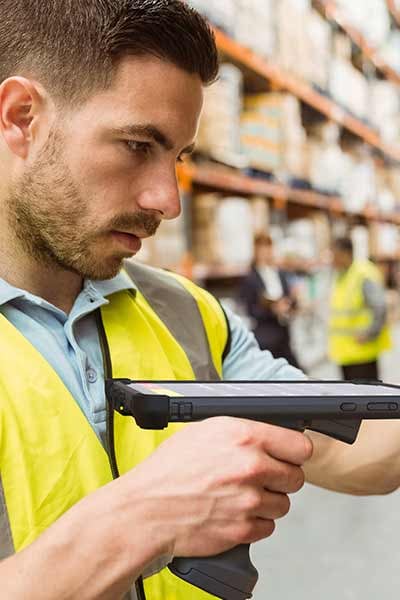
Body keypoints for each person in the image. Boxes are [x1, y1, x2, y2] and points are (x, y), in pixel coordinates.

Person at [0, 2, 313, 599]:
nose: (168, 201)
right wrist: (146, 518)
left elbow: (357, 452)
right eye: (138, 145)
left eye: (179, 157)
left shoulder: (182, 309)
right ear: (22, 118)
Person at [329, 237, 391, 381]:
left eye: (335, 255)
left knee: (366, 398)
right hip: (346, 353)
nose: (333, 260)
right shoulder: (342, 275)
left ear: (346, 254)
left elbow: (380, 307)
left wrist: (369, 333)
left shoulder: (363, 273)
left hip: (362, 354)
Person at [240, 233, 299, 367]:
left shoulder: (281, 274)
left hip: (284, 334)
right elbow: (251, 310)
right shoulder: (250, 279)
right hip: (266, 338)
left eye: (268, 248)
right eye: (262, 249)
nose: (266, 253)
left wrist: (292, 302)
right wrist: (273, 310)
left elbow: (290, 299)